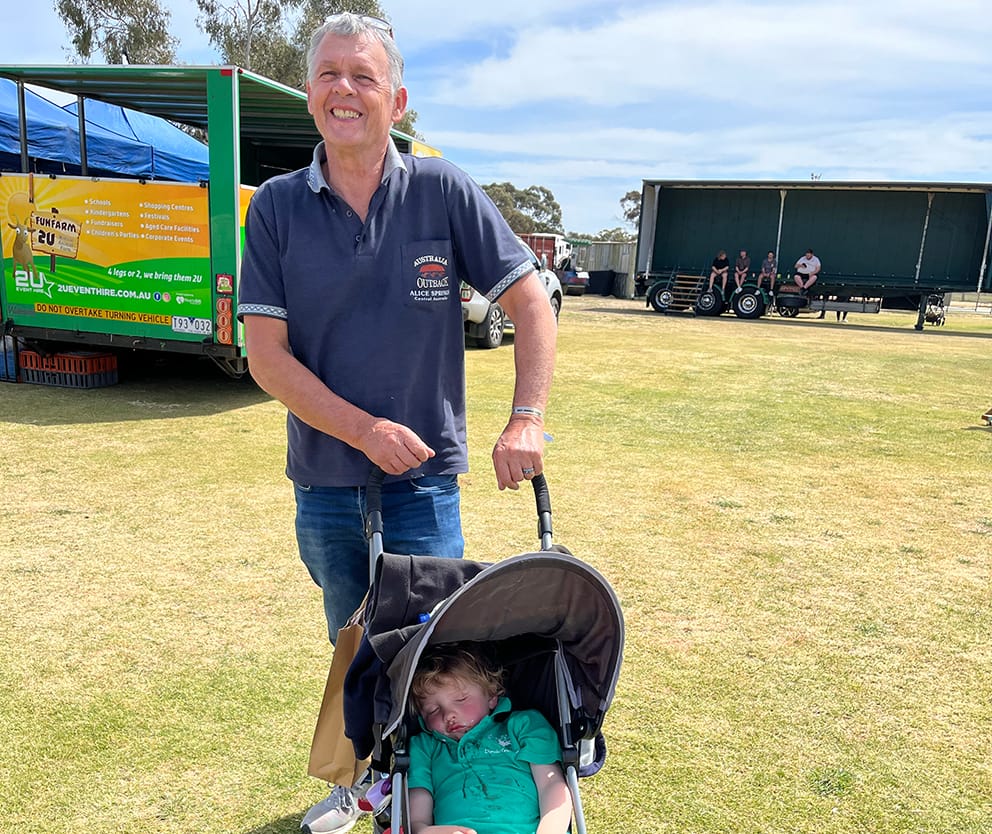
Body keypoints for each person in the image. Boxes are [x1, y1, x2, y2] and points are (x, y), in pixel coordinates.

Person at [236, 13, 557, 834]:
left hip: (424, 484)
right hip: (327, 483)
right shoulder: (274, 207)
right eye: (330, 74)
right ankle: (368, 788)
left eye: (364, 77)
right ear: (310, 92)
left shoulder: (442, 189)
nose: (345, 90)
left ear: (397, 99)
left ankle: (441, 787)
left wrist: (526, 418)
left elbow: (530, 301)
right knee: (357, 645)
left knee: (430, 648)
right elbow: (266, 356)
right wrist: (363, 430)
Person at [408, 644, 573, 834]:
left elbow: (551, 784)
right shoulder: (424, 747)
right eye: (433, 710)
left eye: (461, 699)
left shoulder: (523, 725)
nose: (448, 715)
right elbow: (418, 805)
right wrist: (421, 830)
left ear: (491, 696)